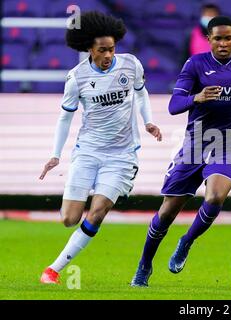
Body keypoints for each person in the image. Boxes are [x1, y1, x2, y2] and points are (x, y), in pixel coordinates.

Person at [131, 15, 231, 287]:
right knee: (168, 211)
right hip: (195, 143)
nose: (224, 43)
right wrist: (197, 97)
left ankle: (186, 241)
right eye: (218, 38)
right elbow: (174, 105)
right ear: (209, 40)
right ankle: (144, 265)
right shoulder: (195, 65)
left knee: (215, 197)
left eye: (228, 38)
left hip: (227, 142)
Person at [38, 11, 162, 284]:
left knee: (98, 209)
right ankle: (79, 197)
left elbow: (141, 92)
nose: (108, 55)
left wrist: (149, 121)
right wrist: (55, 155)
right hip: (88, 152)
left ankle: (52, 270)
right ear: (89, 50)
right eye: (102, 50)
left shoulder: (130, 65)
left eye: (111, 49)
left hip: (122, 155)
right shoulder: (77, 77)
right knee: (69, 219)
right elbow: (65, 116)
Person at [180, 2, 231, 69]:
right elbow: (184, 61)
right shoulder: (191, 35)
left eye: (212, 13)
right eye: (207, 13)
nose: (209, 16)